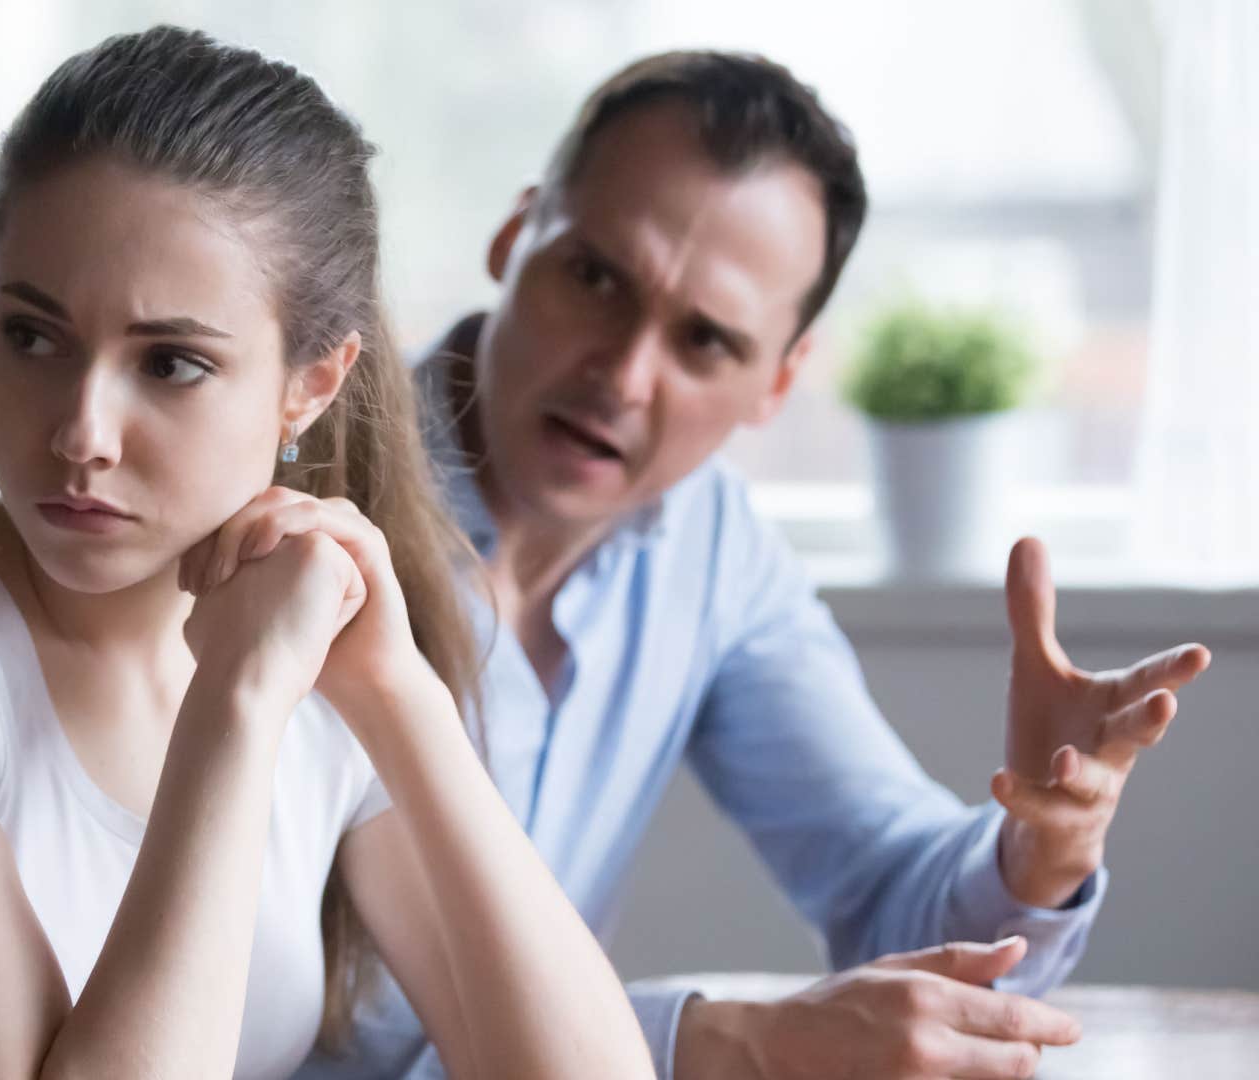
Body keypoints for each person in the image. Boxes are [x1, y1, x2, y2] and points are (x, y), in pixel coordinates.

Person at [0, 26, 653, 1080]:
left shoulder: (311, 655)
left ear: (312, 384)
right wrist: (235, 704)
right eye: (32, 336)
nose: (81, 433)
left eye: (172, 364)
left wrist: (393, 689)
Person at [300, 50, 1213, 1080]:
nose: (623, 374)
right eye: (596, 278)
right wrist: (719, 1040)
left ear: (777, 383)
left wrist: (1040, 847)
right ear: (516, 239)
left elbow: (889, 891)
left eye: (706, 341)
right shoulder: (305, 504)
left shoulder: (711, 547)